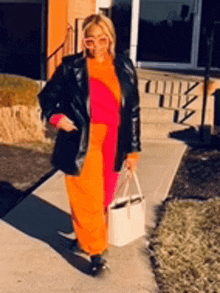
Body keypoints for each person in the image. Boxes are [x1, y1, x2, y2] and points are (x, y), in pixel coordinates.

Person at [38, 13, 141, 277]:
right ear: (83, 40)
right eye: (89, 40)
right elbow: (48, 96)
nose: (95, 45)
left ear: (111, 39)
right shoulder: (72, 66)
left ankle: (87, 235)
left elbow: (133, 111)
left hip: (114, 140)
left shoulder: (125, 66)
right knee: (86, 196)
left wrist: (133, 150)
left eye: (102, 39)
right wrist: (57, 117)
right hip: (82, 139)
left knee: (104, 197)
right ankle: (96, 252)